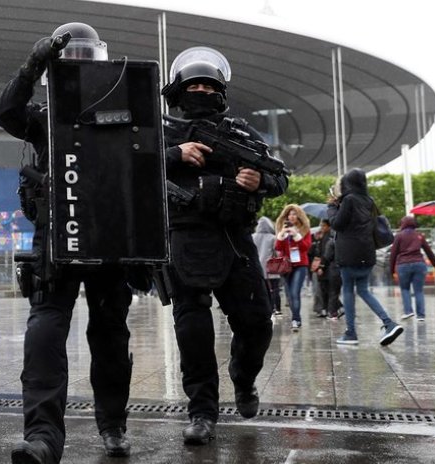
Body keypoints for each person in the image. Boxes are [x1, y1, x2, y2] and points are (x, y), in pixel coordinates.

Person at [0, 22, 133, 464]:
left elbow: (152, 150)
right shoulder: (42, 116)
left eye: (84, 59)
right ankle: (42, 438)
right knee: (44, 333)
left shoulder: (123, 111)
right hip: (55, 239)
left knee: (110, 336)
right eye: (68, 61)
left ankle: (112, 425)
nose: (78, 67)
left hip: (109, 237)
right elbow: (7, 112)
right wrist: (31, 65)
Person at [161, 46, 288, 445]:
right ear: (179, 91)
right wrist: (174, 154)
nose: (202, 92)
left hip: (234, 239)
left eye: (209, 87)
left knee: (257, 323)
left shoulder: (240, 133)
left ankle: (243, 377)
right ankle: (202, 412)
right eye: (194, 86)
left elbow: (279, 177)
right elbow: (130, 169)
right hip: (185, 240)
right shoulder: (162, 131)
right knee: (193, 333)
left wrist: (260, 182)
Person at [327, 169, 403, 346]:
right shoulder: (369, 200)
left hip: (349, 255)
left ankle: (351, 333)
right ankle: (388, 323)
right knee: (363, 290)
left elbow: (337, 224)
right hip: (367, 254)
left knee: (348, 290)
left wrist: (331, 208)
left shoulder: (349, 200)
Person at [390, 215, 435, 322]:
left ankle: (408, 311)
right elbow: (429, 252)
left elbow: (393, 253)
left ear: (402, 224)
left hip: (403, 265)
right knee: (419, 290)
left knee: (405, 289)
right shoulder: (419, 236)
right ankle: (421, 316)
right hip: (419, 264)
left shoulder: (399, 236)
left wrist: (391, 270)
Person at [275, 205, 312, 331]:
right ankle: (296, 318)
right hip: (286, 266)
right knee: (290, 295)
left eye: (294, 214)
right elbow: (278, 247)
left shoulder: (305, 230)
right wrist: (282, 234)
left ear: (299, 216)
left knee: (295, 292)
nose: (292, 216)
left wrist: (296, 235)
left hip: (300, 265)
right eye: (289, 214)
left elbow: (306, 247)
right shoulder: (283, 229)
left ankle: (296, 319)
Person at [252, 217, 282, 316]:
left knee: (260, 290)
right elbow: (277, 253)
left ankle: (263, 307)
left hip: (257, 269)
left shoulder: (253, 237)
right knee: (274, 289)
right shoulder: (273, 238)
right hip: (271, 269)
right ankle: (276, 308)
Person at [315, 219, 343, 320]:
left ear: (329, 226)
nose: (322, 228)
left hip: (330, 268)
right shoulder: (324, 237)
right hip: (333, 268)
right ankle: (336, 309)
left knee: (331, 291)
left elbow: (326, 255)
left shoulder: (330, 239)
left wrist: (321, 267)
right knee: (330, 291)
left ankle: (333, 312)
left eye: (323, 226)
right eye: (321, 226)